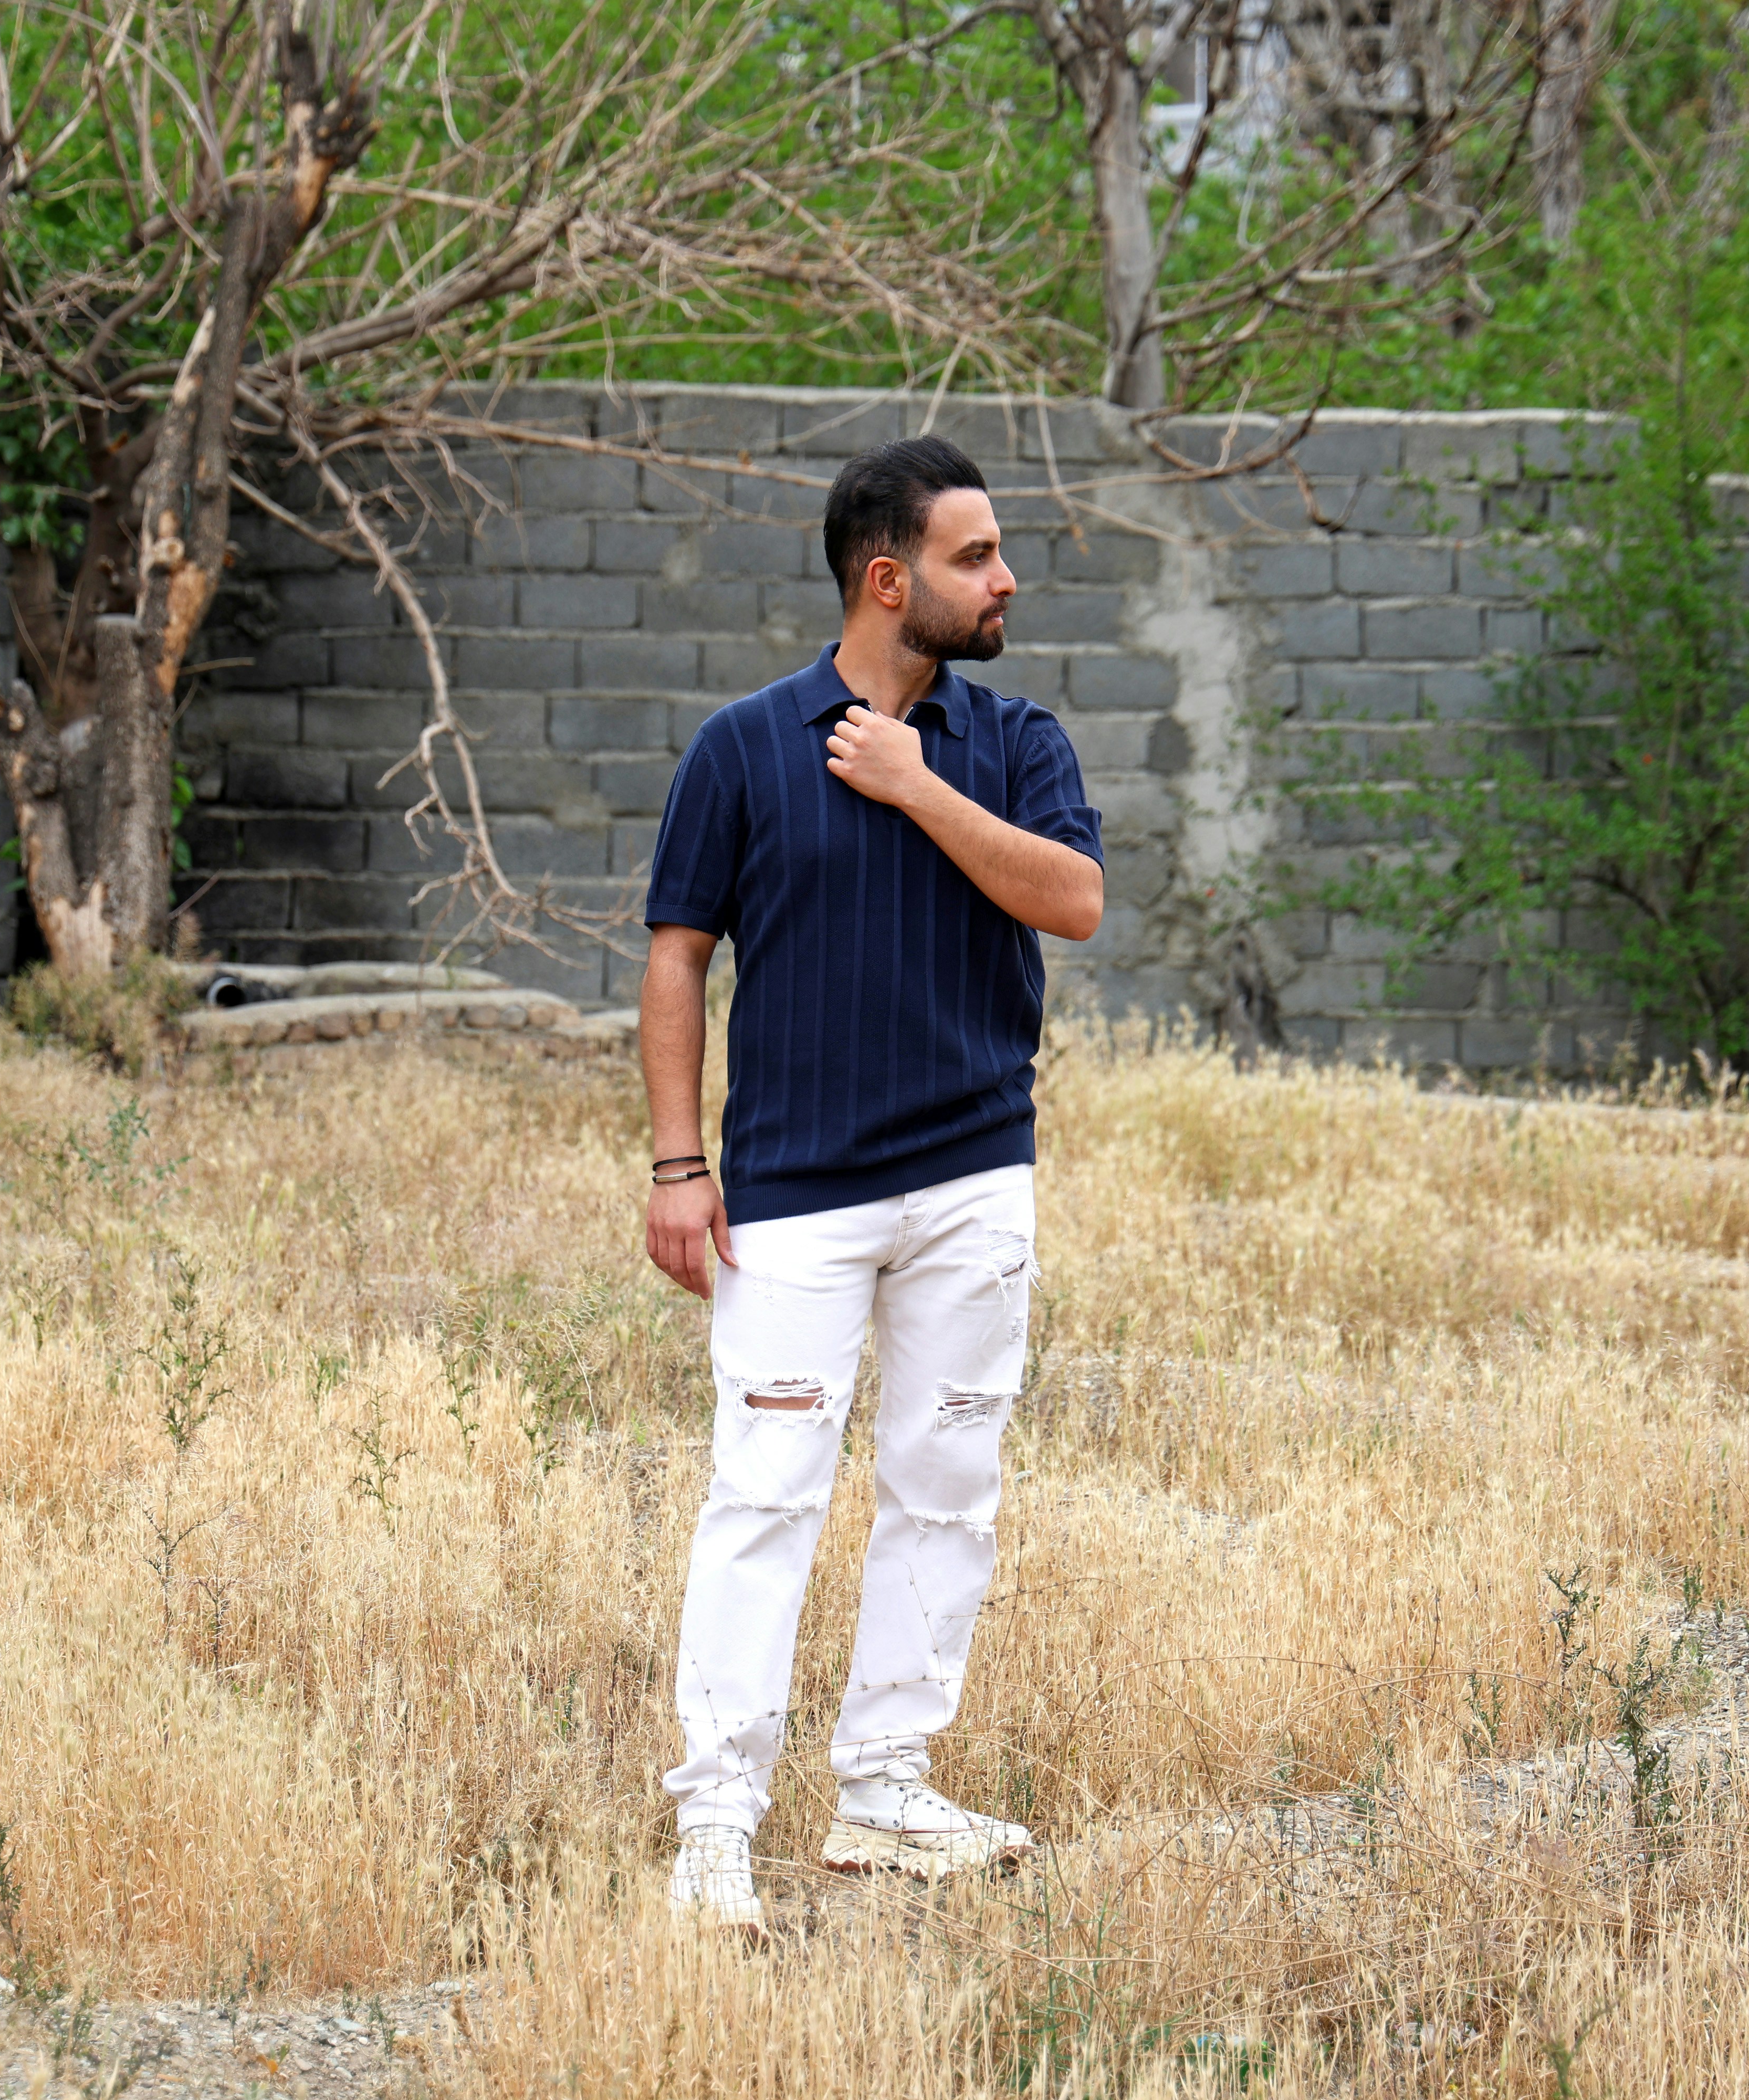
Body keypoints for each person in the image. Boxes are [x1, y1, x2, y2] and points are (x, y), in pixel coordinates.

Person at [636, 435, 1106, 1930]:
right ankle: (716, 1825)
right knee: (763, 1496)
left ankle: (886, 1793)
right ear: (888, 579)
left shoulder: (1016, 743)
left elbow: (1075, 903)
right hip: (797, 1199)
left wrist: (916, 788)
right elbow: (675, 961)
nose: (1006, 577)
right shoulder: (744, 747)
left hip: (975, 1181)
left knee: (946, 1490)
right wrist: (675, 1165)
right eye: (976, 557)